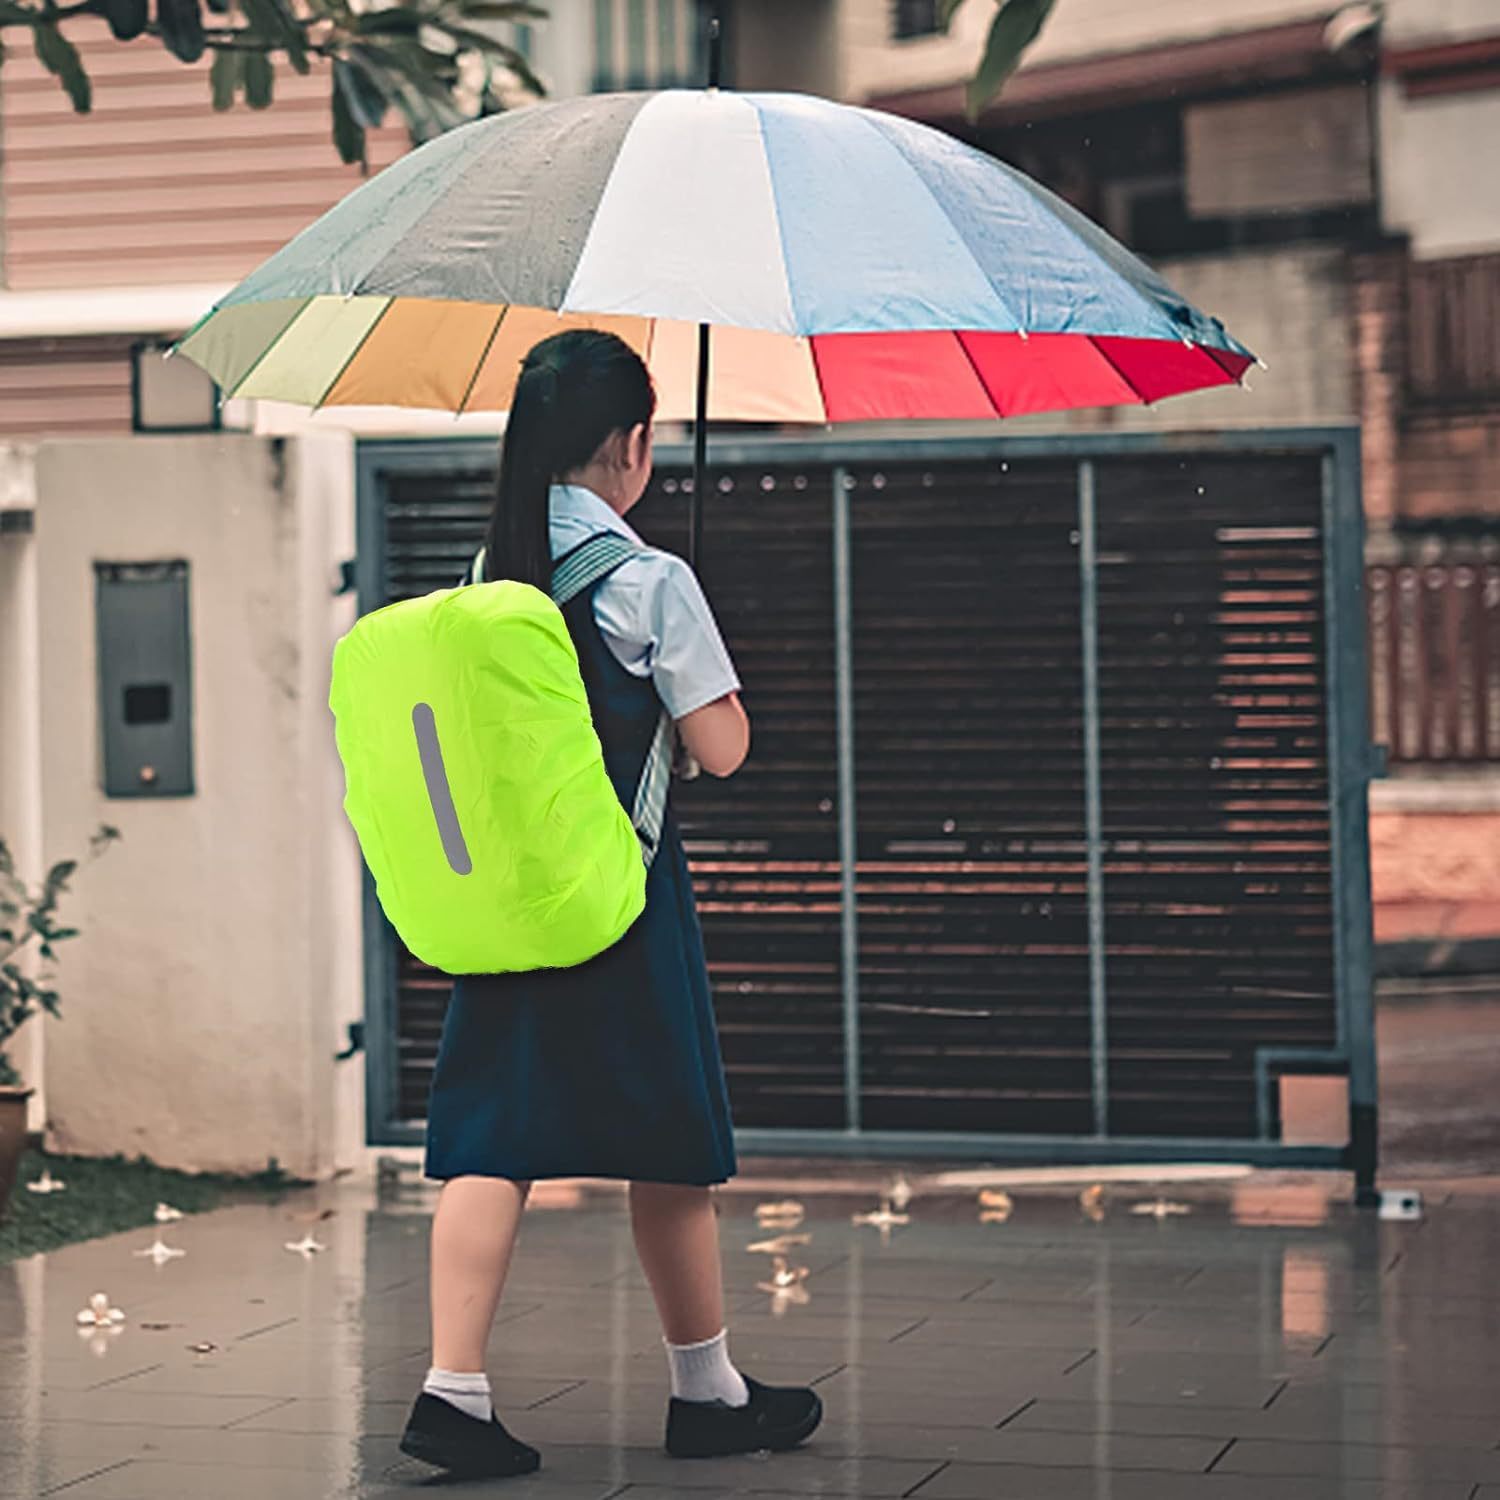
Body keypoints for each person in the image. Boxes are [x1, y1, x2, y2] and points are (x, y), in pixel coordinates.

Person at [398, 329, 824, 1479]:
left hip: (508, 906)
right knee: (668, 1146)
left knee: (492, 1140)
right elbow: (722, 750)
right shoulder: (650, 579)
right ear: (634, 445)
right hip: (624, 899)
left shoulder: (488, 583)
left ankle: (455, 1391)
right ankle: (707, 1391)